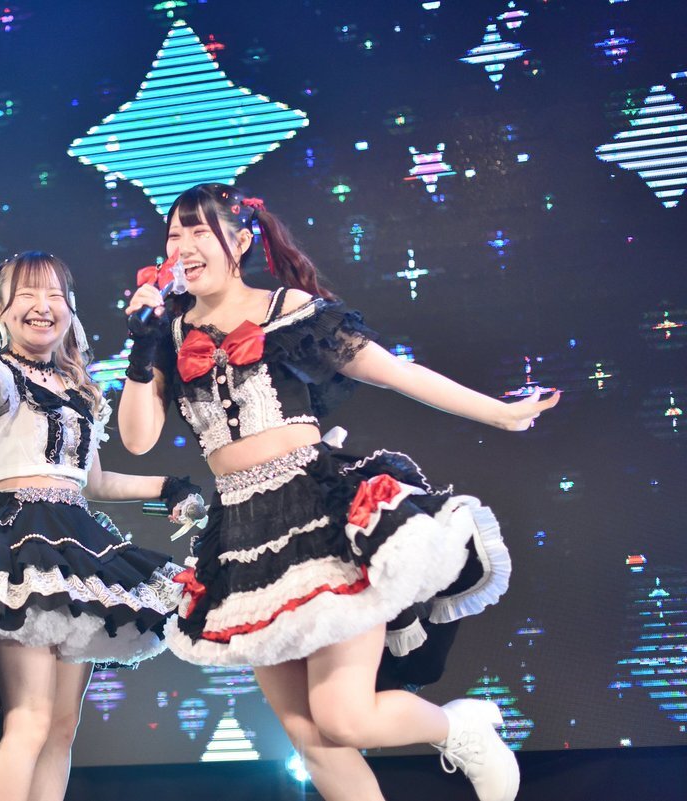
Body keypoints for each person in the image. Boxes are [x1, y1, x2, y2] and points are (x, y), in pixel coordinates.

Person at [118, 184, 560, 801]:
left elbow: (396, 372)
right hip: (242, 537)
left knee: (343, 718)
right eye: (175, 235)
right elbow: (137, 439)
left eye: (200, 232)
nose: (185, 246)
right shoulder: (166, 335)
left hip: (317, 515)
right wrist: (142, 346)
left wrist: (500, 413)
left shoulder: (289, 310)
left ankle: (460, 728)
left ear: (239, 244)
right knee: (310, 739)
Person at [0, 252, 201, 801]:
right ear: (0, 308)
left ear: (70, 309)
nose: (42, 306)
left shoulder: (79, 388)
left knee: (62, 727)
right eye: (27, 294)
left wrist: (166, 485)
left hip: (75, 545)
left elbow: (91, 481)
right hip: (21, 541)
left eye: (55, 295)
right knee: (29, 718)